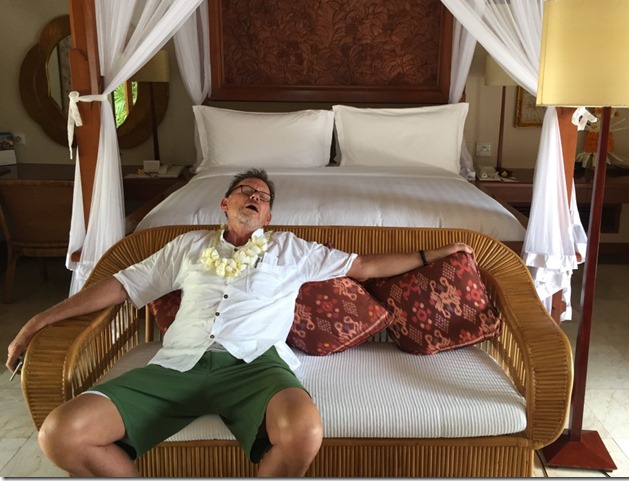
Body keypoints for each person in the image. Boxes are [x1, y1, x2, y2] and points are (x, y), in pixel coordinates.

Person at [6, 168, 471, 477]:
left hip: (257, 366)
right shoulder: (187, 246)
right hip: (178, 364)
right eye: (247, 191)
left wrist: (435, 253)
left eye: (263, 198)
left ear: (268, 216)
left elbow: (364, 267)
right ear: (224, 202)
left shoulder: (291, 249)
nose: (255, 197)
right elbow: (121, 286)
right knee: (60, 435)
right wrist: (38, 320)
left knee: (304, 431)